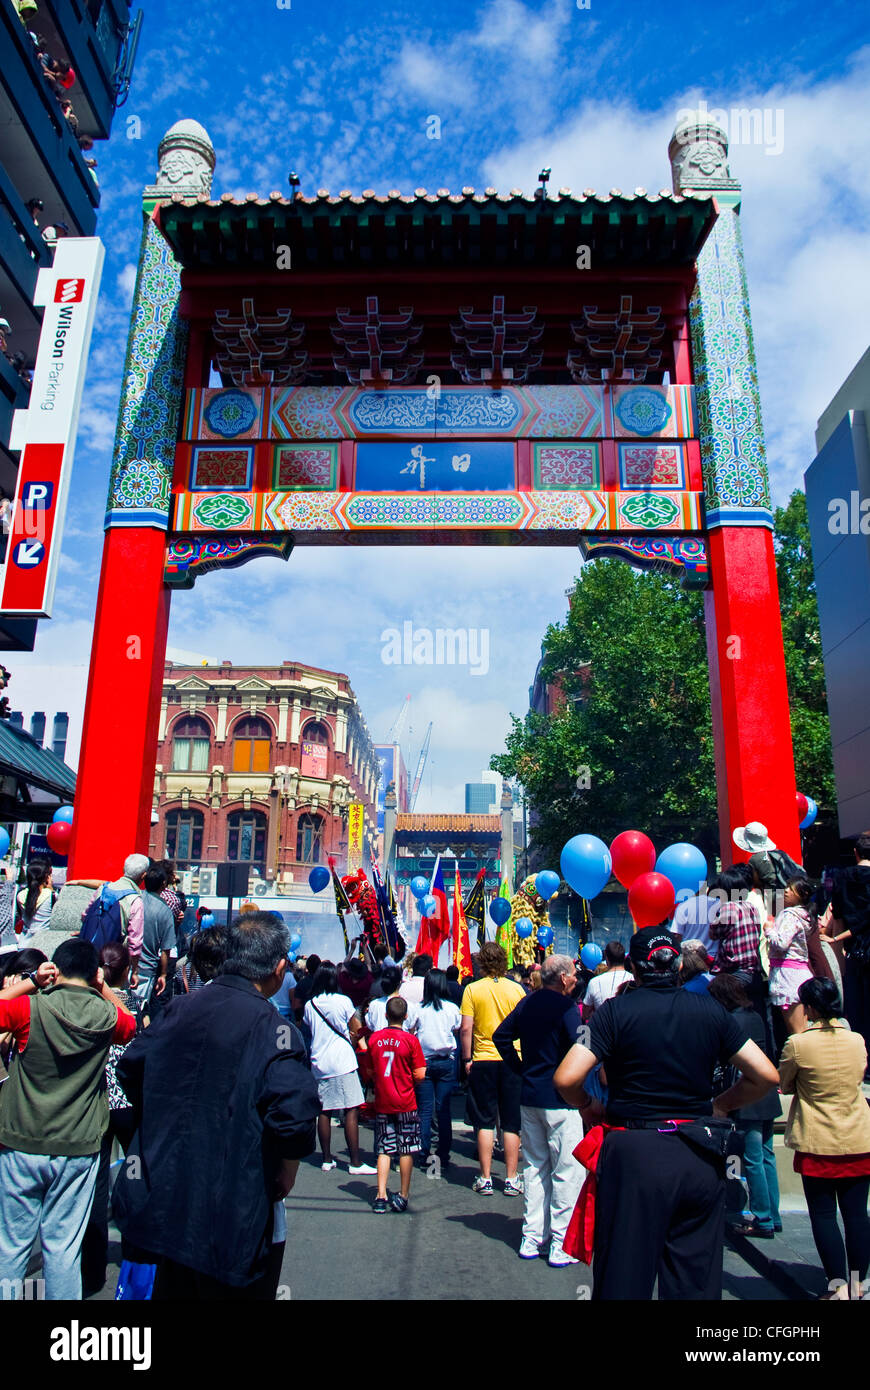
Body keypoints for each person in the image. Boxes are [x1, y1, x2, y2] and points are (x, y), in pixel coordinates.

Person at [554, 925, 779, 1301]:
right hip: (697, 1153)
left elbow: (566, 1078)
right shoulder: (711, 1011)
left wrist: (589, 1106)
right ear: (677, 967)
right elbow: (766, 1075)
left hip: (635, 1153)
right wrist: (721, 1104)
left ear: (635, 970)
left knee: (623, 1278)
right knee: (694, 1281)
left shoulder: (611, 1014)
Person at [111, 912, 320, 1300]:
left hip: (156, 1204)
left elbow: (130, 1066)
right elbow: (294, 1120)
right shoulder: (274, 1030)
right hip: (227, 1218)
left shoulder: (178, 1009)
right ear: (278, 968)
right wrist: (287, 1170)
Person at [0, 939, 135, 1299]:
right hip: (79, 1145)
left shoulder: (30, 1010)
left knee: (12, 1247)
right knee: (62, 1249)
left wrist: (31, 980)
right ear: (93, 974)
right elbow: (130, 1024)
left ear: (55, 971)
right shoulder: (106, 1018)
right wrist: (102, 985)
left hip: (21, 1140)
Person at [779, 976, 870, 1299]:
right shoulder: (856, 1040)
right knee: (857, 1214)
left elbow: (786, 1084)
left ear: (810, 1007)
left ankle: (838, 1286)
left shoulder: (798, 1044)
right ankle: (859, 1283)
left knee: (823, 1215)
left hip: (817, 1139)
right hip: (858, 1136)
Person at [493, 953, 585, 1266]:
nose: (574, 979)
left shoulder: (527, 1002)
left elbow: (500, 1035)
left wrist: (519, 1067)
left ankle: (531, 1238)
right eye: (572, 974)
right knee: (566, 1171)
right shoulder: (567, 1008)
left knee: (534, 1168)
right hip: (562, 1099)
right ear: (563, 978)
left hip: (531, 1094)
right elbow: (581, 1044)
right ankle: (560, 1243)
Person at [80, 941, 146, 1295]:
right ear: (125, 972)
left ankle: (91, 1267)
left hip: (94, 1100)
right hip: (127, 1102)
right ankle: (138, 1254)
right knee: (136, 1177)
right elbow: (138, 1030)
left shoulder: (86, 1003)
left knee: (95, 1184)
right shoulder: (131, 1003)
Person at [708, 972, 782, 1239]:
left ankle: (762, 1218)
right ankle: (772, 1214)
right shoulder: (755, 1016)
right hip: (767, 1095)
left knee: (752, 1160)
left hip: (747, 1095)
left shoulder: (733, 1021)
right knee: (766, 1155)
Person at [460, 941, 525, 1196]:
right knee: (511, 1121)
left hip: (483, 1057)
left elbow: (466, 1028)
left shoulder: (473, 990)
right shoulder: (517, 989)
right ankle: (510, 1178)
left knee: (484, 1119)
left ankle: (485, 1177)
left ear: (482, 963)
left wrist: (467, 1059)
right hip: (512, 1057)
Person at [304, 964, 376, 1175]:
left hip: (320, 1061)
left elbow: (310, 1026)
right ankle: (355, 1162)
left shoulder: (311, 1004)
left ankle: (326, 1158)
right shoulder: (343, 1001)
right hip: (343, 1059)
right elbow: (355, 1025)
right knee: (350, 1108)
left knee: (324, 1111)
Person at [367, 996, 427, 1213]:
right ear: (406, 1017)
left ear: (385, 1016)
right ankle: (403, 1194)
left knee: (384, 1148)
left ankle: (381, 1194)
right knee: (406, 1149)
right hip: (406, 1101)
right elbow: (420, 1073)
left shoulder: (375, 1039)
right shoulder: (411, 1041)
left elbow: (370, 1071)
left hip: (383, 1101)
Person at [829, 831, 870, 1072]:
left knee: (856, 1007)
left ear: (855, 853)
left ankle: (862, 1061)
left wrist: (840, 944)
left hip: (854, 952)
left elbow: (838, 913)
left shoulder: (842, 878)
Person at [412, 968, 461, 1168]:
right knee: (443, 1109)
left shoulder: (418, 1008)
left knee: (425, 1110)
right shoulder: (451, 1008)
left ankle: (424, 1154)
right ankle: (443, 1154)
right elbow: (457, 1027)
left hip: (423, 1061)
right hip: (445, 1060)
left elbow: (410, 1027)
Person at [82, 853, 147, 986]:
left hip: (85, 955)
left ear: (123, 870)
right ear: (143, 876)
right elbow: (135, 943)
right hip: (112, 963)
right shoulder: (135, 900)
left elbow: (85, 916)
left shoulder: (102, 889)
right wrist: (134, 970)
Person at [764, 876, 817, 1034]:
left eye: (791, 888)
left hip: (788, 978)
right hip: (800, 974)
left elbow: (781, 943)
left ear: (803, 893)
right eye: (786, 887)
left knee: (796, 1033)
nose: (786, 891)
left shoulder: (789, 915)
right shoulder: (803, 915)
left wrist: (769, 929)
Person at [132, 863, 177, 1010]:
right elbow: (166, 949)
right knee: (139, 1010)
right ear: (164, 884)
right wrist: (163, 974)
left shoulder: (134, 899)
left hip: (126, 965)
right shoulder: (165, 911)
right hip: (146, 969)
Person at [582, 941, 630, 1020]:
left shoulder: (595, 982)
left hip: (603, 1028)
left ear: (607, 959)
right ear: (623, 958)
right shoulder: (634, 979)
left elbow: (585, 1014)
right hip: (629, 1028)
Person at [365, 964, 418, 1032]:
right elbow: (411, 1032)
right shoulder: (409, 1006)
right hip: (402, 1041)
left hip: (379, 1041)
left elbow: (371, 1027)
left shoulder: (374, 1005)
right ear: (400, 982)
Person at [15, 859, 55, 939]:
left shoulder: (20, 895)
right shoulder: (52, 896)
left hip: (24, 942)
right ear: (47, 877)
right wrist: (51, 888)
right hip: (43, 943)